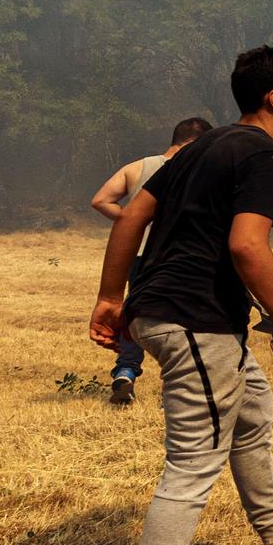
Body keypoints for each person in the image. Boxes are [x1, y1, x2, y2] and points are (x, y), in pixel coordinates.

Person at [86, 45, 273, 545]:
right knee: (194, 463)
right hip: (195, 320)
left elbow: (131, 216)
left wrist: (114, 297)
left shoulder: (201, 146)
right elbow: (249, 246)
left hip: (176, 312)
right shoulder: (267, 155)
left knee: (251, 410)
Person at [88, 116, 214, 406]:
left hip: (138, 255)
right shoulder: (199, 169)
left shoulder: (137, 167)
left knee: (135, 315)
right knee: (182, 319)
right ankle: (177, 384)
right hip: (180, 257)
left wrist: (131, 222)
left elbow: (100, 200)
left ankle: (126, 371)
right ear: (198, 143)